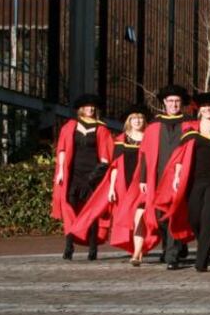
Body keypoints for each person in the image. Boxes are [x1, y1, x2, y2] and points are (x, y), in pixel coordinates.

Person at [157, 93, 210, 272]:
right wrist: (177, 176)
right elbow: (180, 156)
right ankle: (204, 243)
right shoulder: (190, 131)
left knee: (208, 218)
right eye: (204, 106)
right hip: (195, 181)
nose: (207, 109)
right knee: (194, 217)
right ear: (199, 110)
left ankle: (202, 259)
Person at [71, 104, 152, 266]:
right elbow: (115, 166)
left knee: (139, 217)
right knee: (130, 218)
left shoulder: (150, 139)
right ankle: (136, 249)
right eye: (134, 118)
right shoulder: (121, 140)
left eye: (140, 118)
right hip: (124, 185)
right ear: (129, 121)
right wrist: (111, 188)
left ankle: (137, 253)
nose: (137, 121)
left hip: (142, 184)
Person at [53, 94, 113, 261]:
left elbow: (106, 155)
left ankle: (93, 249)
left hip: (92, 176)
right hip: (73, 175)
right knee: (70, 212)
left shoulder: (101, 129)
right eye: (87, 106)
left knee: (91, 212)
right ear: (81, 109)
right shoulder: (70, 126)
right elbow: (62, 149)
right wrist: (60, 171)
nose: (90, 109)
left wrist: (98, 173)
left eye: (93, 106)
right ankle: (69, 246)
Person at [141, 85, 193, 269]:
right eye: (170, 101)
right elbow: (145, 154)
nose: (174, 104)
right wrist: (143, 179)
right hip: (158, 177)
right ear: (164, 102)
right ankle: (172, 246)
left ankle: (172, 256)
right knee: (159, 216)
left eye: (177, 101)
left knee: (175, 214)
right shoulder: (154, 126)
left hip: (180, 177)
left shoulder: (189, 124)